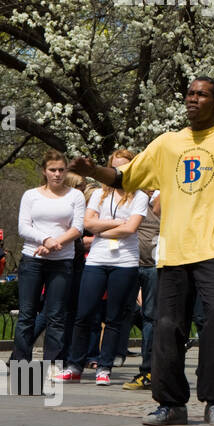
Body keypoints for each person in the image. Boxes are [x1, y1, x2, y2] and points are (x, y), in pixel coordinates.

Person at [69, 77, 214, 426]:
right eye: (190, 94)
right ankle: (171, 403)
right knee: (167, 327)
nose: (193, 99)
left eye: (202, 94)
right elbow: (124, 177)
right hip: (174, 251)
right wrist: (91, 171)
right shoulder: (167, 143)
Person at [54, 150, 149, 385]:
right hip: (97, 259)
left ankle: (104, 366)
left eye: (124, 169)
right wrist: (117, 223)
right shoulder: (98, 194)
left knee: (114, 316)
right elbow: (87, 224)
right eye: (115, 168)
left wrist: (101, 228)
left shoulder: (139, 196)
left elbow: (131, 229)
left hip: (124, 262)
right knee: (84, 313)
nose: (119, 173)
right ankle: (75, 364)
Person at [11, 150, 85, 362]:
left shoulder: (76, 195)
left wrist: (56, 243)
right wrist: (46, 240)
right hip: (32, 259)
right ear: (44, 171)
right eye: (52, 170)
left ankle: (53, 362)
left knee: (56, 315)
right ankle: (20, 362)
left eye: (61, 170)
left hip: (62, 261)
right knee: (27, 314)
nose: (57, 174)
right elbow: (23, 227)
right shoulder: (31, 195)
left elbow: (77, 228)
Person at [122, 191, 161, 391]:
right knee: (120, 312)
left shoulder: (163, 199)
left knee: (150, 317)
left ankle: (149, 370)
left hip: (154, 266)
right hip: (126, 262)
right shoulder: (129, 199)